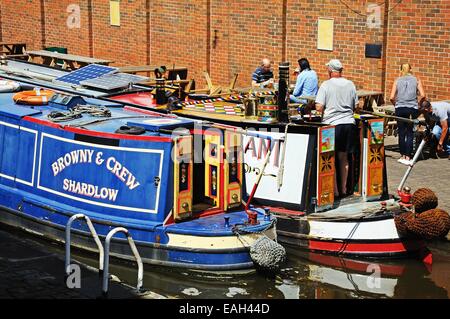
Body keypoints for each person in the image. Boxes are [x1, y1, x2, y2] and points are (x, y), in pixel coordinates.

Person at [315, 59, 359, 198]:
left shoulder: (326, 85)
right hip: (349, 124)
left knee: (330, 158)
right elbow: (356, 106)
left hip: (332, 125)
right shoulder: (350, 84)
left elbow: (319, 107)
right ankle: (344, 188)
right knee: (344, 158)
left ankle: (334, 190)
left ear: (330, 71)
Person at [389, 63, 425, 165]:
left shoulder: (397, 80)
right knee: (410, 132)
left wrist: (396, 105)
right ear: (411, 69)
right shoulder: (417, 80)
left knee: (401, 132)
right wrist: (417, 103)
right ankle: (408, 156)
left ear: (400, 70)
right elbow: (423, 95)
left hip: (400, 108)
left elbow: (391, 97)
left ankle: (402, 155)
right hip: (412, 108)